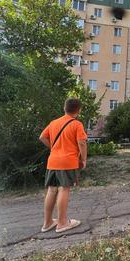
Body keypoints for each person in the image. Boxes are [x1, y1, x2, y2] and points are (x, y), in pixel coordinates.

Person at [38, 98, 87, 234]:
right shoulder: (77, 124)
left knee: (52, 190)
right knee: (64, 189)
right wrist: (83, 160)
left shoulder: (54, 123)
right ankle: (62, 223)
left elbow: (42, 137)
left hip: (53, 161)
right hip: (68, 161)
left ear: (64, 108)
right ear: (79, 110)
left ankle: (47, 223)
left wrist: (53, 148)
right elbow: (82, 143)